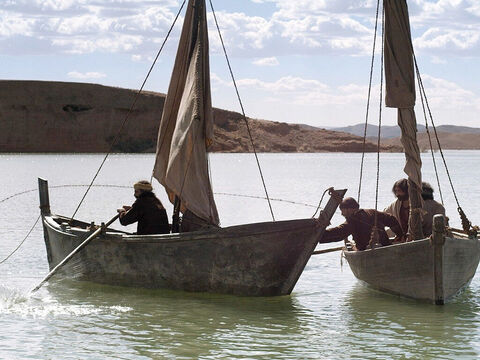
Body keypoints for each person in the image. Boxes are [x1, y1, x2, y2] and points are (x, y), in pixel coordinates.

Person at [321, 197, 405, 251]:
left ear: (350, 209)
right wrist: (400, 235)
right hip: (386, 247)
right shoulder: (372, 212)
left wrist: (319, 236)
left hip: (366, 252)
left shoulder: (352, 221)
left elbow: (339, 233)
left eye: (343, 211)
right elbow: (391, 219)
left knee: (355, 247)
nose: (342, 214)